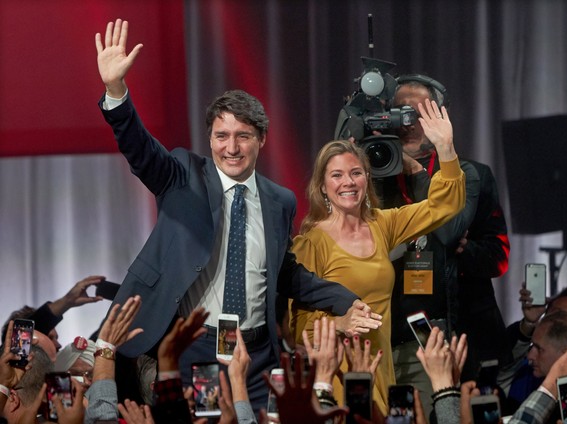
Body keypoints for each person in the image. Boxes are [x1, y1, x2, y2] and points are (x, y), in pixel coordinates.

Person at [94, 19, 382, 414]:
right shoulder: (182, 175)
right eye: (221, 136)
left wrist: (345, 301)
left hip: (257, 352)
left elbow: (287, 274)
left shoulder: (280, 200)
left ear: (261, 139)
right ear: (210, 138)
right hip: (195, 346)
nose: (231, 147)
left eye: (242, 135)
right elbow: (139, 149)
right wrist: (116, 91)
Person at [289, 95, 466, 415]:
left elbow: (445, 205)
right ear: (322, 186)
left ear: (367, 177)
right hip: (337, 377)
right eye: (337, 175)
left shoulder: (382, 225)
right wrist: (340, 322)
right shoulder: (310, 243)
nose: (348, 183)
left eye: (355, 173)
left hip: (381, 372)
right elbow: (297, 327)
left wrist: (445, 148)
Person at [374, 74, 480, 414]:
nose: (406, 123)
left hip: (426, 337)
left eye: (416, 114)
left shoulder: (463, 172)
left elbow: (448, 233)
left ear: (439, 118)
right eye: (398, 113)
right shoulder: (374, 173)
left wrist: (417, 171)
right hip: (377, 332)